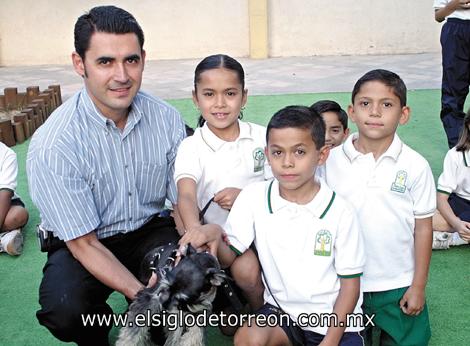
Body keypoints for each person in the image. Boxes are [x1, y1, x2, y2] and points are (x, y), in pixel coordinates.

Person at [26, 6, 186, 345]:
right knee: (66, 309)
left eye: (130, 60)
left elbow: (181, 202)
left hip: (149, 231)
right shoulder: (55, 143)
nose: (122, 75)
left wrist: (182, 253)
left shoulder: (167, 119)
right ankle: (97, 331)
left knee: (178, 296)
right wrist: (143, 296)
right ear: (79, 64)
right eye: (105, 62)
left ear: (143, 58)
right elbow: (83, 243)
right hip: (84, 241)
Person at [180, 106, 365, 346]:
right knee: (248, 338)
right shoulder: (254, 196)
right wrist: (214, 233)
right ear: (267, 154)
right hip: (282, 315)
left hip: (335, 324)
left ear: (321, 156)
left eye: (299, 152)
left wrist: (329, 342)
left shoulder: (341, 212)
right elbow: (227, 258)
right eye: (278, 153)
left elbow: (350, 288)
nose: (287, 162)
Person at [322, 69, 435, 345]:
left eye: (386, 104)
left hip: (396, 281)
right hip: (341, 281)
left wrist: (418, 286)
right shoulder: (329, 161)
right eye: (365, 104)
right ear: (352, 111)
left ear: (403, 114)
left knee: (409, 339)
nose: (375, 112)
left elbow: (423, 228)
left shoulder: (415, 165)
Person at [174, 54, 269, 316]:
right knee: (247, 273)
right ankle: (258, 314)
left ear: (244, 96)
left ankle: (271, 313)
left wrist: (246, 197)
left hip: (267, 230)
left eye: (229, 93)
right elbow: (186, 195)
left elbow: (283, 186)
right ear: (195, 98)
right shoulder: (192, 146)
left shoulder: (263, 136)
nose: (220, 104)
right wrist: (196, 231)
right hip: (225, 239)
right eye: (208, 94)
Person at [434, 0, 470, 148]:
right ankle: (458, 148)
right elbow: (438, 16)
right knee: (453, 92)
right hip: (455, 31)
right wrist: (454, 4)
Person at [432, 111, 470, 249]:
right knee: (425, 219)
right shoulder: (455, 156)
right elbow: (441, 199)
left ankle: (452, 239)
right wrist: (456, 223)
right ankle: (458, 233)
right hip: (459, 203)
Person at [0, 141, 29, 256]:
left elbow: (5, 193)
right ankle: (4, 240)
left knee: (18, 215)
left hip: (4, 204)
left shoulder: (7, 154)